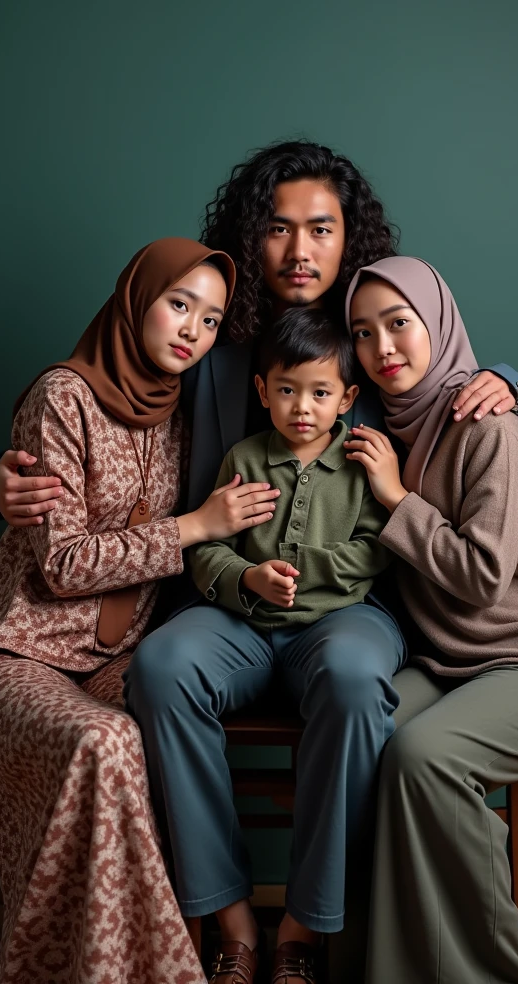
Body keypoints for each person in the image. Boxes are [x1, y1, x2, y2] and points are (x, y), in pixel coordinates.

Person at [0, 238, 285, 984]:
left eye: (211, 318)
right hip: (17, 657)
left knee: (162, 719)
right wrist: (196, 526)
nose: (192, 329)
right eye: (178, 304)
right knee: (107, 744)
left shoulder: (182, 405)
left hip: (113, 659)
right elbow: (63, 564)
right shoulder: (61, 396)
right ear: (137, 298)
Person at [0, 142, 518, 529]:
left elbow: (449, 413)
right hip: (213, 583)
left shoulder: (373, 341)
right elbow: (107, 407)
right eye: (279, 229)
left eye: (321, 230)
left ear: (349, 237)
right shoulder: (204, 339)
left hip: (360, 591)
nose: (300, 251)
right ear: (251, 235)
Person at [344, 256, 518, 984]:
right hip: (456, 666)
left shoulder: (487, 423)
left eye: (400, 324)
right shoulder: (386, 423)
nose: (384, 349)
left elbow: (485, 578)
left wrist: (398, 500)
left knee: (426, 757)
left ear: (438, 323)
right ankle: (390, 968)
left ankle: (491, 974)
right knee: (371, 740)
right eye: (363, 335)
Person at [125, 309, 406, 984]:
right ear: (261, 392)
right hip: (243, 623)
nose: (301, 408)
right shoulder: (245, 459)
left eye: (318, 393)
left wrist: (308, 571)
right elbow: (207, 552)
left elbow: (378, 549)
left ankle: (304, 929)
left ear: (346, 398)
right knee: (161, 667)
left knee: (355, 680)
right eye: (286, 391)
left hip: (342, 620)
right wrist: (245, 576)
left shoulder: (365, 458)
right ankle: (233, 922)